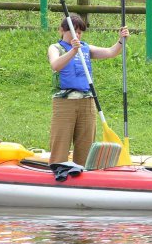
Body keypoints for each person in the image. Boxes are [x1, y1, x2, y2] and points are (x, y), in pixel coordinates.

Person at [48, 14, 129, 166]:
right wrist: (73, 51)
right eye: (72, 31)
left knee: (86, 145)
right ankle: (58, 171)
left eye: (79, 32)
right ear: (61, 30)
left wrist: (120, 40)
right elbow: (55, 65)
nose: (76, 35)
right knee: (61, 143)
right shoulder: (55, 48)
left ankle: (83, 174)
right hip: (64, 102)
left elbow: (111, 52)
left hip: (87, 102)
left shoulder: (86, 48)